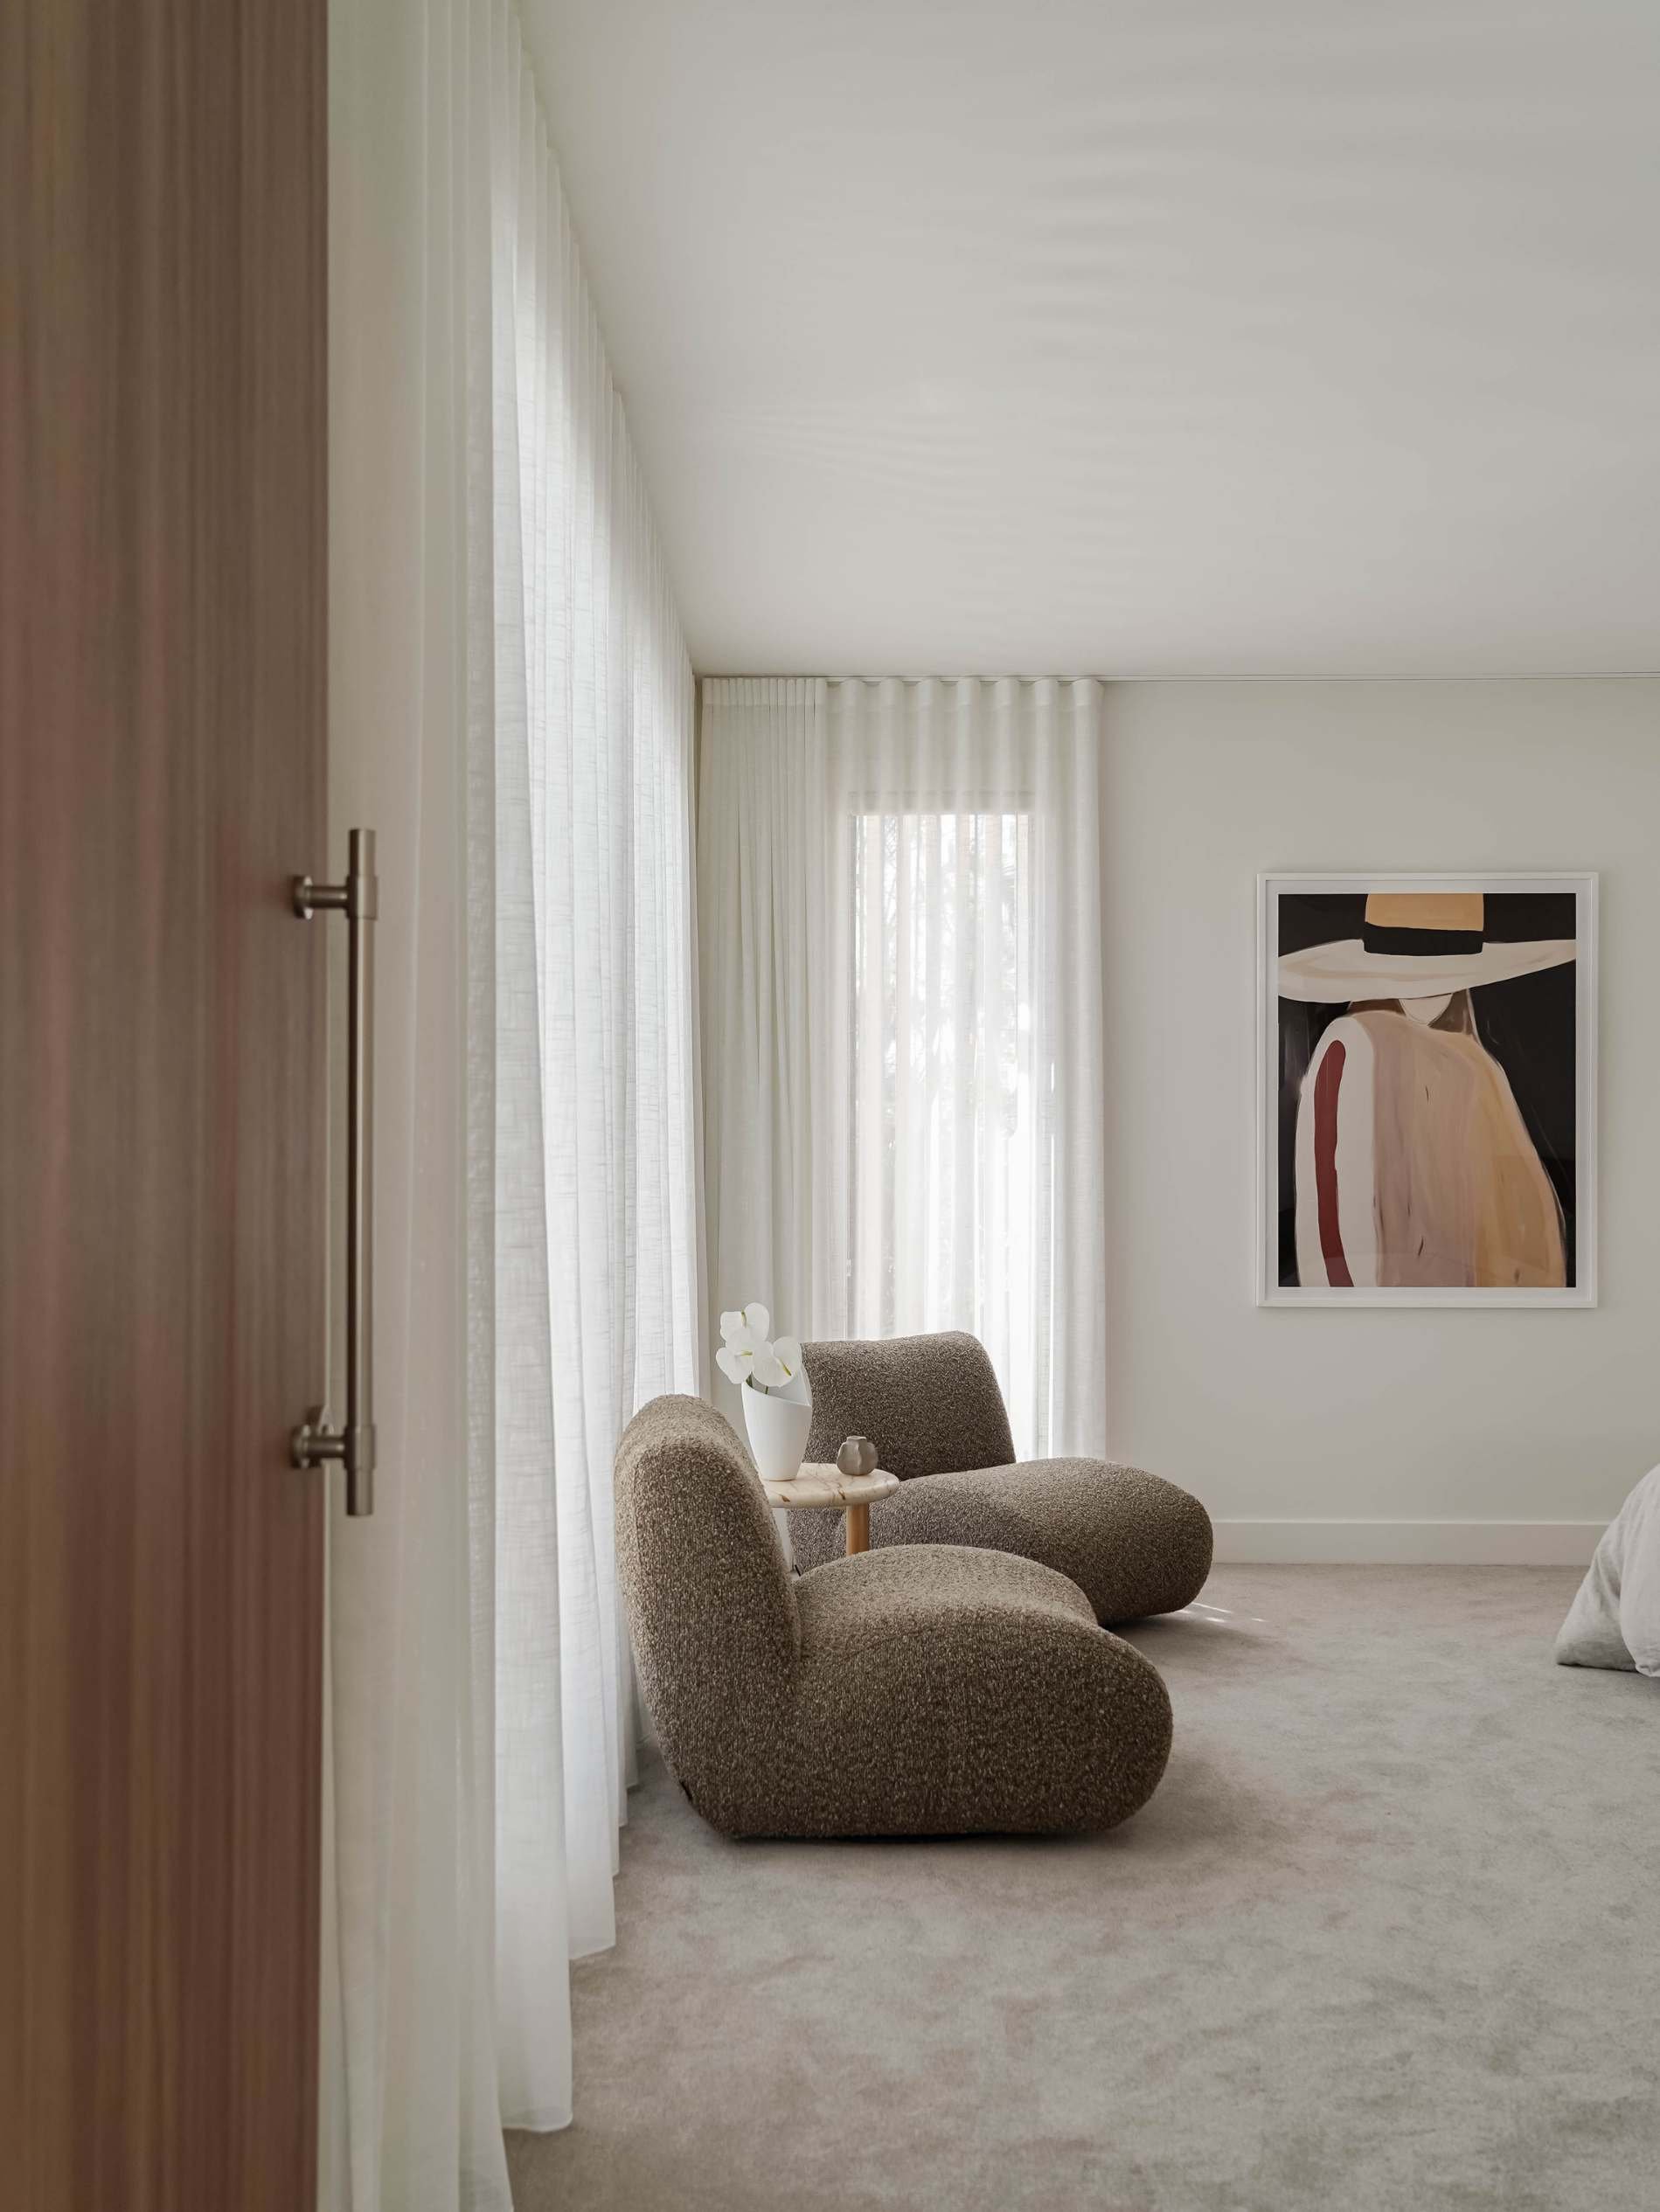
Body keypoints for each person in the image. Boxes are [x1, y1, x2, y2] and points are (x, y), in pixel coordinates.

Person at [1278, 892, 1573, 1290]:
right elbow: (1331, 1218)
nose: (1428, 988)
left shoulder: (1479, 1069)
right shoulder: (1351, 1045)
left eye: (1440, 975)